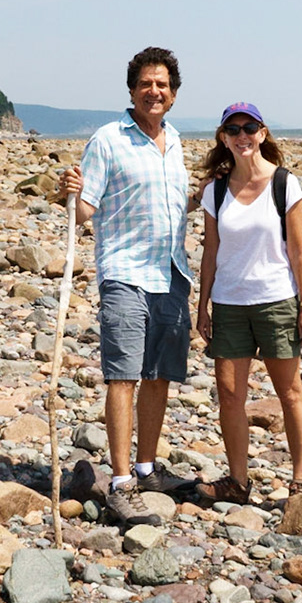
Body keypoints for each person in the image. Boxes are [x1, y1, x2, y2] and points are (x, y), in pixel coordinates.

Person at [57, 47, 197, 527]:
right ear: (132, 89)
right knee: (123, 376)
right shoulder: (108, 140)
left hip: (172, 273)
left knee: (159, 375)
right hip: (125, 274)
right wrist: (68, 193)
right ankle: (120, 484)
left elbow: (176, 203)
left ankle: (147, 469)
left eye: (163, 84)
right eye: (146, 83)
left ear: (173, 94)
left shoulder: (175, 141)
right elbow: (83, 211)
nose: (154, 91)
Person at [194, 103, 302, 504]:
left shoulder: (285, 184)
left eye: (249, 128)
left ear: (262, 134)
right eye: (234, 129)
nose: (242, 135)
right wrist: (202, 305)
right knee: (230, 396)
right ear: (224, 138)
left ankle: (300, 479)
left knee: (290, 392)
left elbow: (298, 252)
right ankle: (238, 482)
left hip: (276, 301)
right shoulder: (215, 191)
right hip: (229, 304)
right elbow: (210, 252)